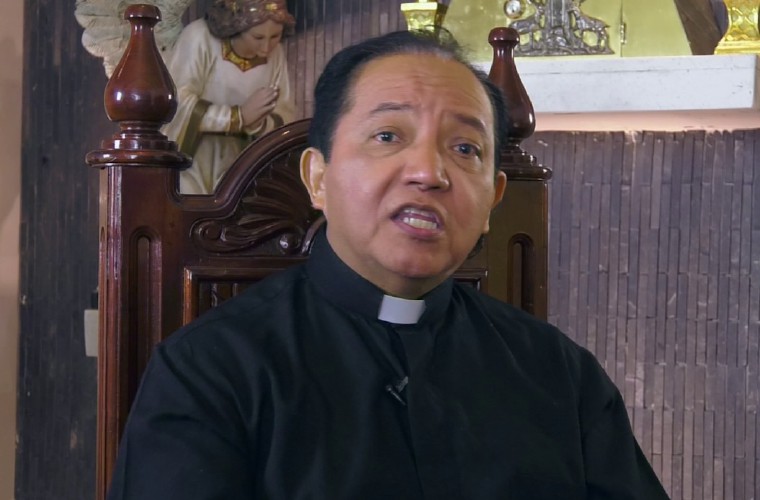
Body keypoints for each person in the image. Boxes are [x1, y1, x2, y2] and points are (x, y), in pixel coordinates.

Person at [107, 30, 670, 499]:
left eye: (465, 149)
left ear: (494, 200)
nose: (428, 172)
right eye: (387, 135)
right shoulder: (208, 372)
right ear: (318, 178)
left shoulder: (559, 374)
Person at [163, 0, 296, 194]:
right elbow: (177, 102)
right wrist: (237, 117)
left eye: (275, 36)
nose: (267, 47)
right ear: (237, 27)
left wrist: (256, 124)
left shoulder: (276, 54)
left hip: (243, 166)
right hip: (193, 161)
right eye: (258, 37)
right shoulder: (199, 37)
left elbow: (285, 114)